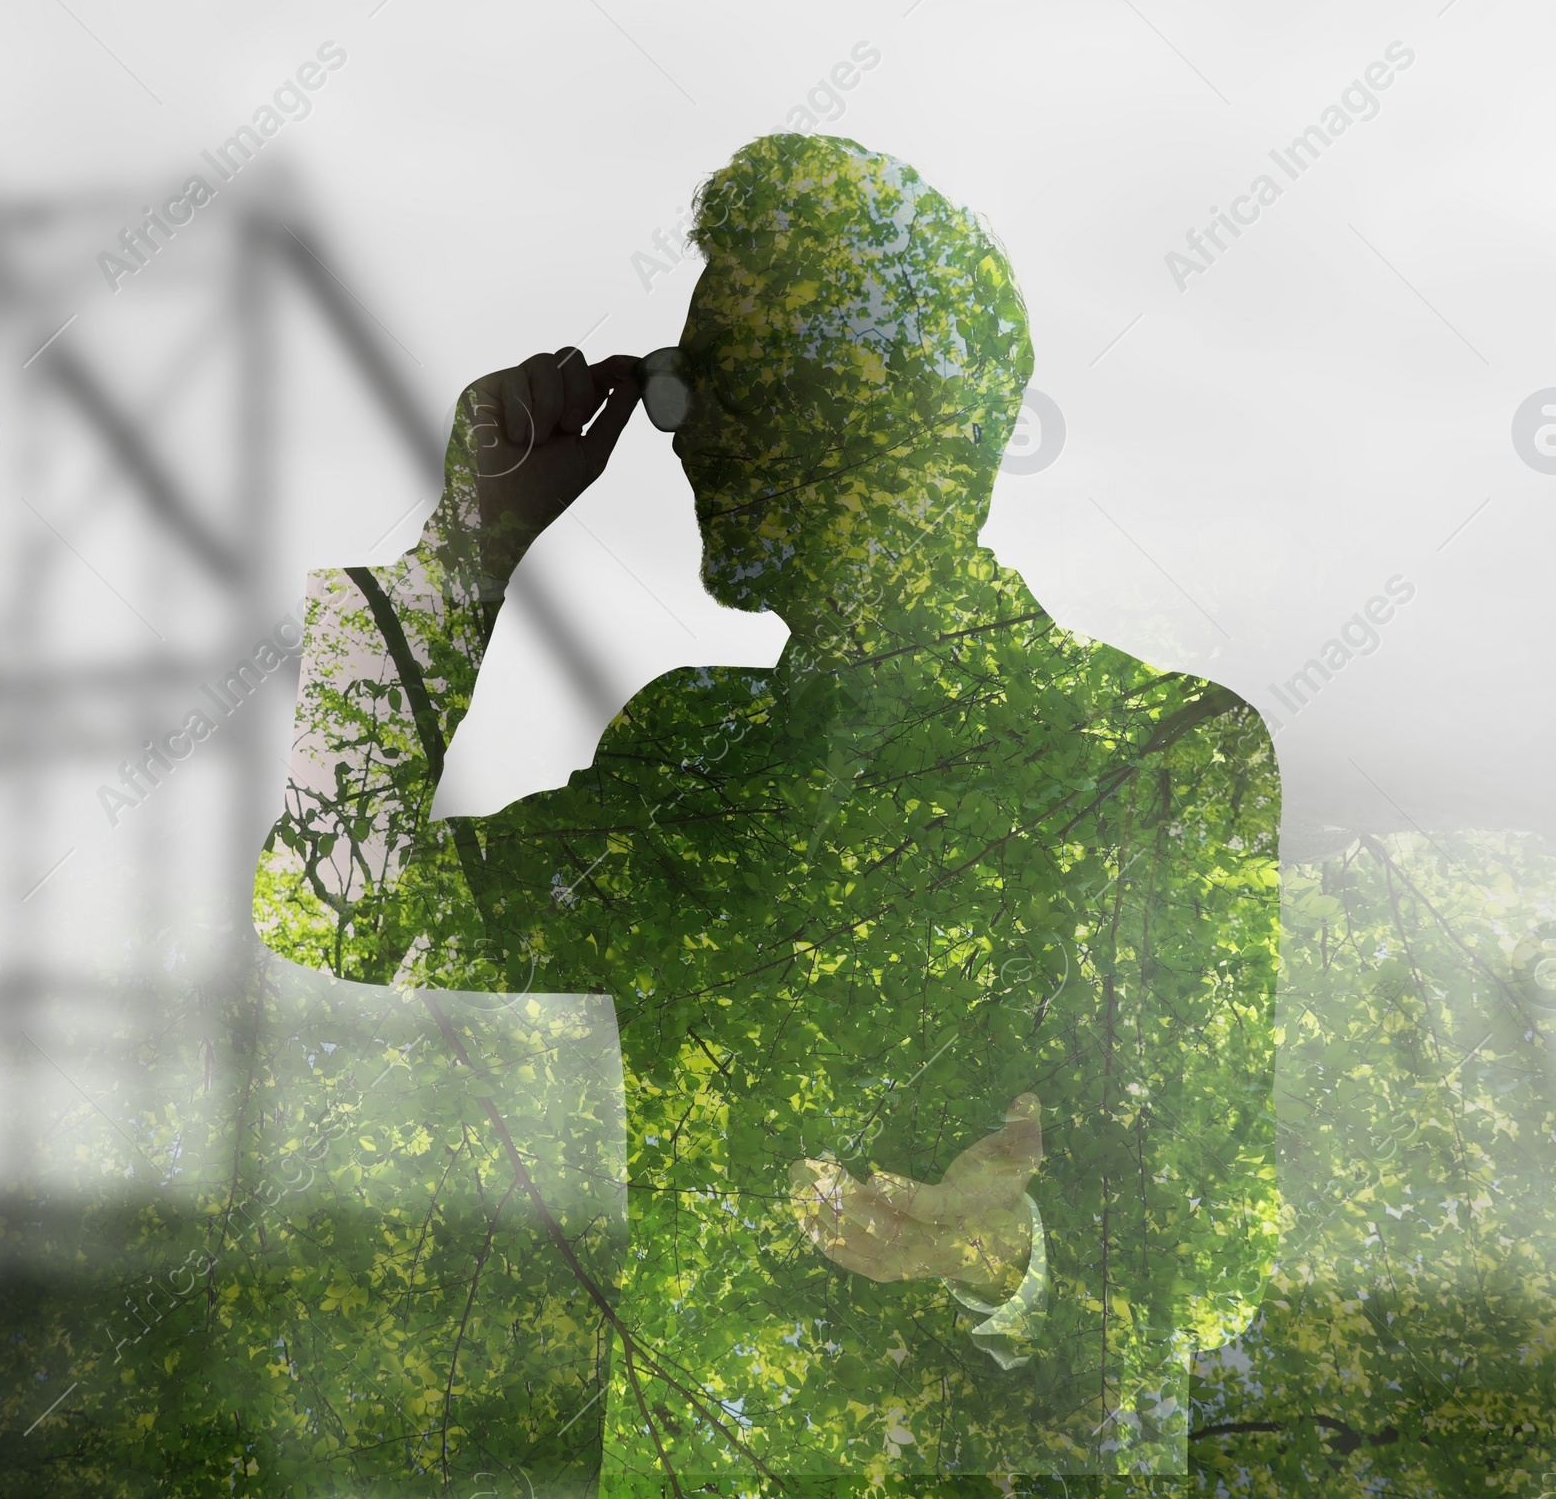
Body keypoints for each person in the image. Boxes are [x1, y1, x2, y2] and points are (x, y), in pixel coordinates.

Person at [256, 133, 1281, 1484]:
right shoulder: (695, 746)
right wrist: (465, 553)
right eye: (683, 387)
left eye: (743, 388)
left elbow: (1207, 1271)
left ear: (896, 414)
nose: (692, 437)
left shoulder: (1153, 753)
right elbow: (344, 913)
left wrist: (1001, 1260)